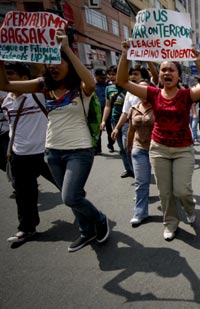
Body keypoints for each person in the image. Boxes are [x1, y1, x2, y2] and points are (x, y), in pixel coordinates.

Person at [0, 29, 109, 252]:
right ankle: (86, 232)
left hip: (79, 150)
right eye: (50, 61)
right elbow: (6, 86)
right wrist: (1, 60)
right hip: (52, 152)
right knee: (71, 196)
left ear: (69, 63)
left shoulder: (80, 89)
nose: (53, 65)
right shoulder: (43, 87)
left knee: (70, 197)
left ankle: (99, 219)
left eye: (58, 61)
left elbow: (88, 80)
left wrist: (66, 47)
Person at [116, 40, 200, 241]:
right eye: (163, 70)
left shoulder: (186, 95)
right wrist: (126, 53)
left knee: (182, 190)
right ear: (159, 75)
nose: (167, 73)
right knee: (165, 192)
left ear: (178, 75)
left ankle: (189, 207)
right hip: (158, 148)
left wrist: (198, 61)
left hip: (183, 149)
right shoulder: (153, 93)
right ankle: (170, 223)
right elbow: (122, 81)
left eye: (171, 70)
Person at [1, 62, 57, 244]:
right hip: (19, 155)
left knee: (69, 190)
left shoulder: (38, 95)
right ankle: (27, 228)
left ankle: (88, 220)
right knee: (24, 196)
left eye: (10, 75)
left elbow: (45, 78)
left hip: (46, 153)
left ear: (25, 79)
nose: (6, 80)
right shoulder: (7, 100)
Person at [126, 80, 154, 227]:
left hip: (158, 150)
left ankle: (173, 212)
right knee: (141, 182)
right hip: (139, 149)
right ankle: (140, 213)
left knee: (165, 184)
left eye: (145, 89)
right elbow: (131, 130)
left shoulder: (159, 107)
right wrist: (128, 146)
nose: (142, 93)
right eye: (139, 90)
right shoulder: (134, 108)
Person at [101, 65, 133, 178]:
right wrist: (104, 121)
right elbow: (107, 106)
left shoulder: (129, 87)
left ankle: (136, 169)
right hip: (114, 121)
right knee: (122, 148)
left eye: (114, 74)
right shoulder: (108, 89)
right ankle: (128, 169)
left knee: (126, 146)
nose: (111, 76)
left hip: (128, 121)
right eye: (109, 74)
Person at [94, 68, 110, 155]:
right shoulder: (92, 86)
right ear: (96, 76)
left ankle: (111, 144)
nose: (103, 80)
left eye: (104, 78)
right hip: (97, 112)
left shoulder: (108, 85)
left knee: (110, 129)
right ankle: (97, 149)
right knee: (98, 131)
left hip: (108, 111)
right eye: (101, 78)